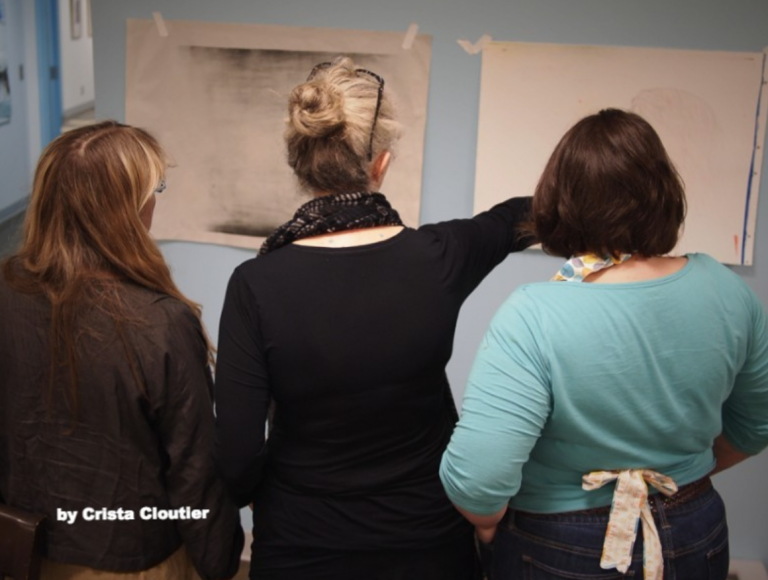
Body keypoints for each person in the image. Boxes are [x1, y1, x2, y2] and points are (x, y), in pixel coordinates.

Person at [214, 56, 534, 580]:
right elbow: (519, 217)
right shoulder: (440, 256)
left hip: (302, 545)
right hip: (428, 542)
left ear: (299, 164)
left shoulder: (257, 285)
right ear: (380, 164)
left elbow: (238, 460)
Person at [439, 108, 768, 579]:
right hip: (695, 528)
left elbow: (478, 480)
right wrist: (674, 479)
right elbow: (756, 426)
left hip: (561, 543)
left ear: (559, 200)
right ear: (664, 193)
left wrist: (488, 526)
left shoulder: (534, 312)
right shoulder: (726, 289)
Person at [0, 121, 244, 580]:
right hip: (131, 559)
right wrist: (220, 563)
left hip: (23, 548)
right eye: (153, 190)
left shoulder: (5, 289)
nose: (154, 201)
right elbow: (194, 468)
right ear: (126, 210)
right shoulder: (160, 321)